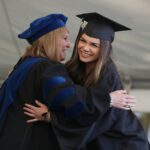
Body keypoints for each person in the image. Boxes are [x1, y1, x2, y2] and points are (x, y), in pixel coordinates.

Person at [0, 12, 134, 150]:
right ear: (52, 40)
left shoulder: (24, 64)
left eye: (94, 44)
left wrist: (51, 116)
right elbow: (71, 101)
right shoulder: (46, 67)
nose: (69, 45)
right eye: (64, 38)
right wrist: (108, 100)